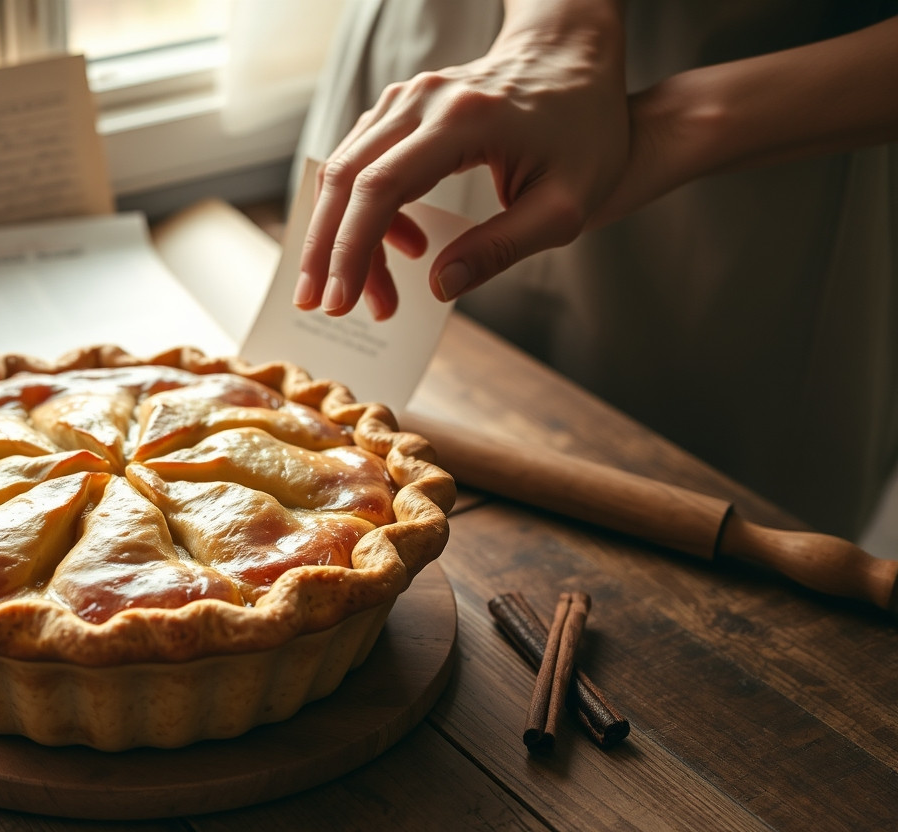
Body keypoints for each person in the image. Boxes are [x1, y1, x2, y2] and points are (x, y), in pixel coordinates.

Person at [293, 0, 898, 538]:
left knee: (703, 514)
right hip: (458, 48)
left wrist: (679, 124)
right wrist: (554, 30)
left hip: (795, 95)